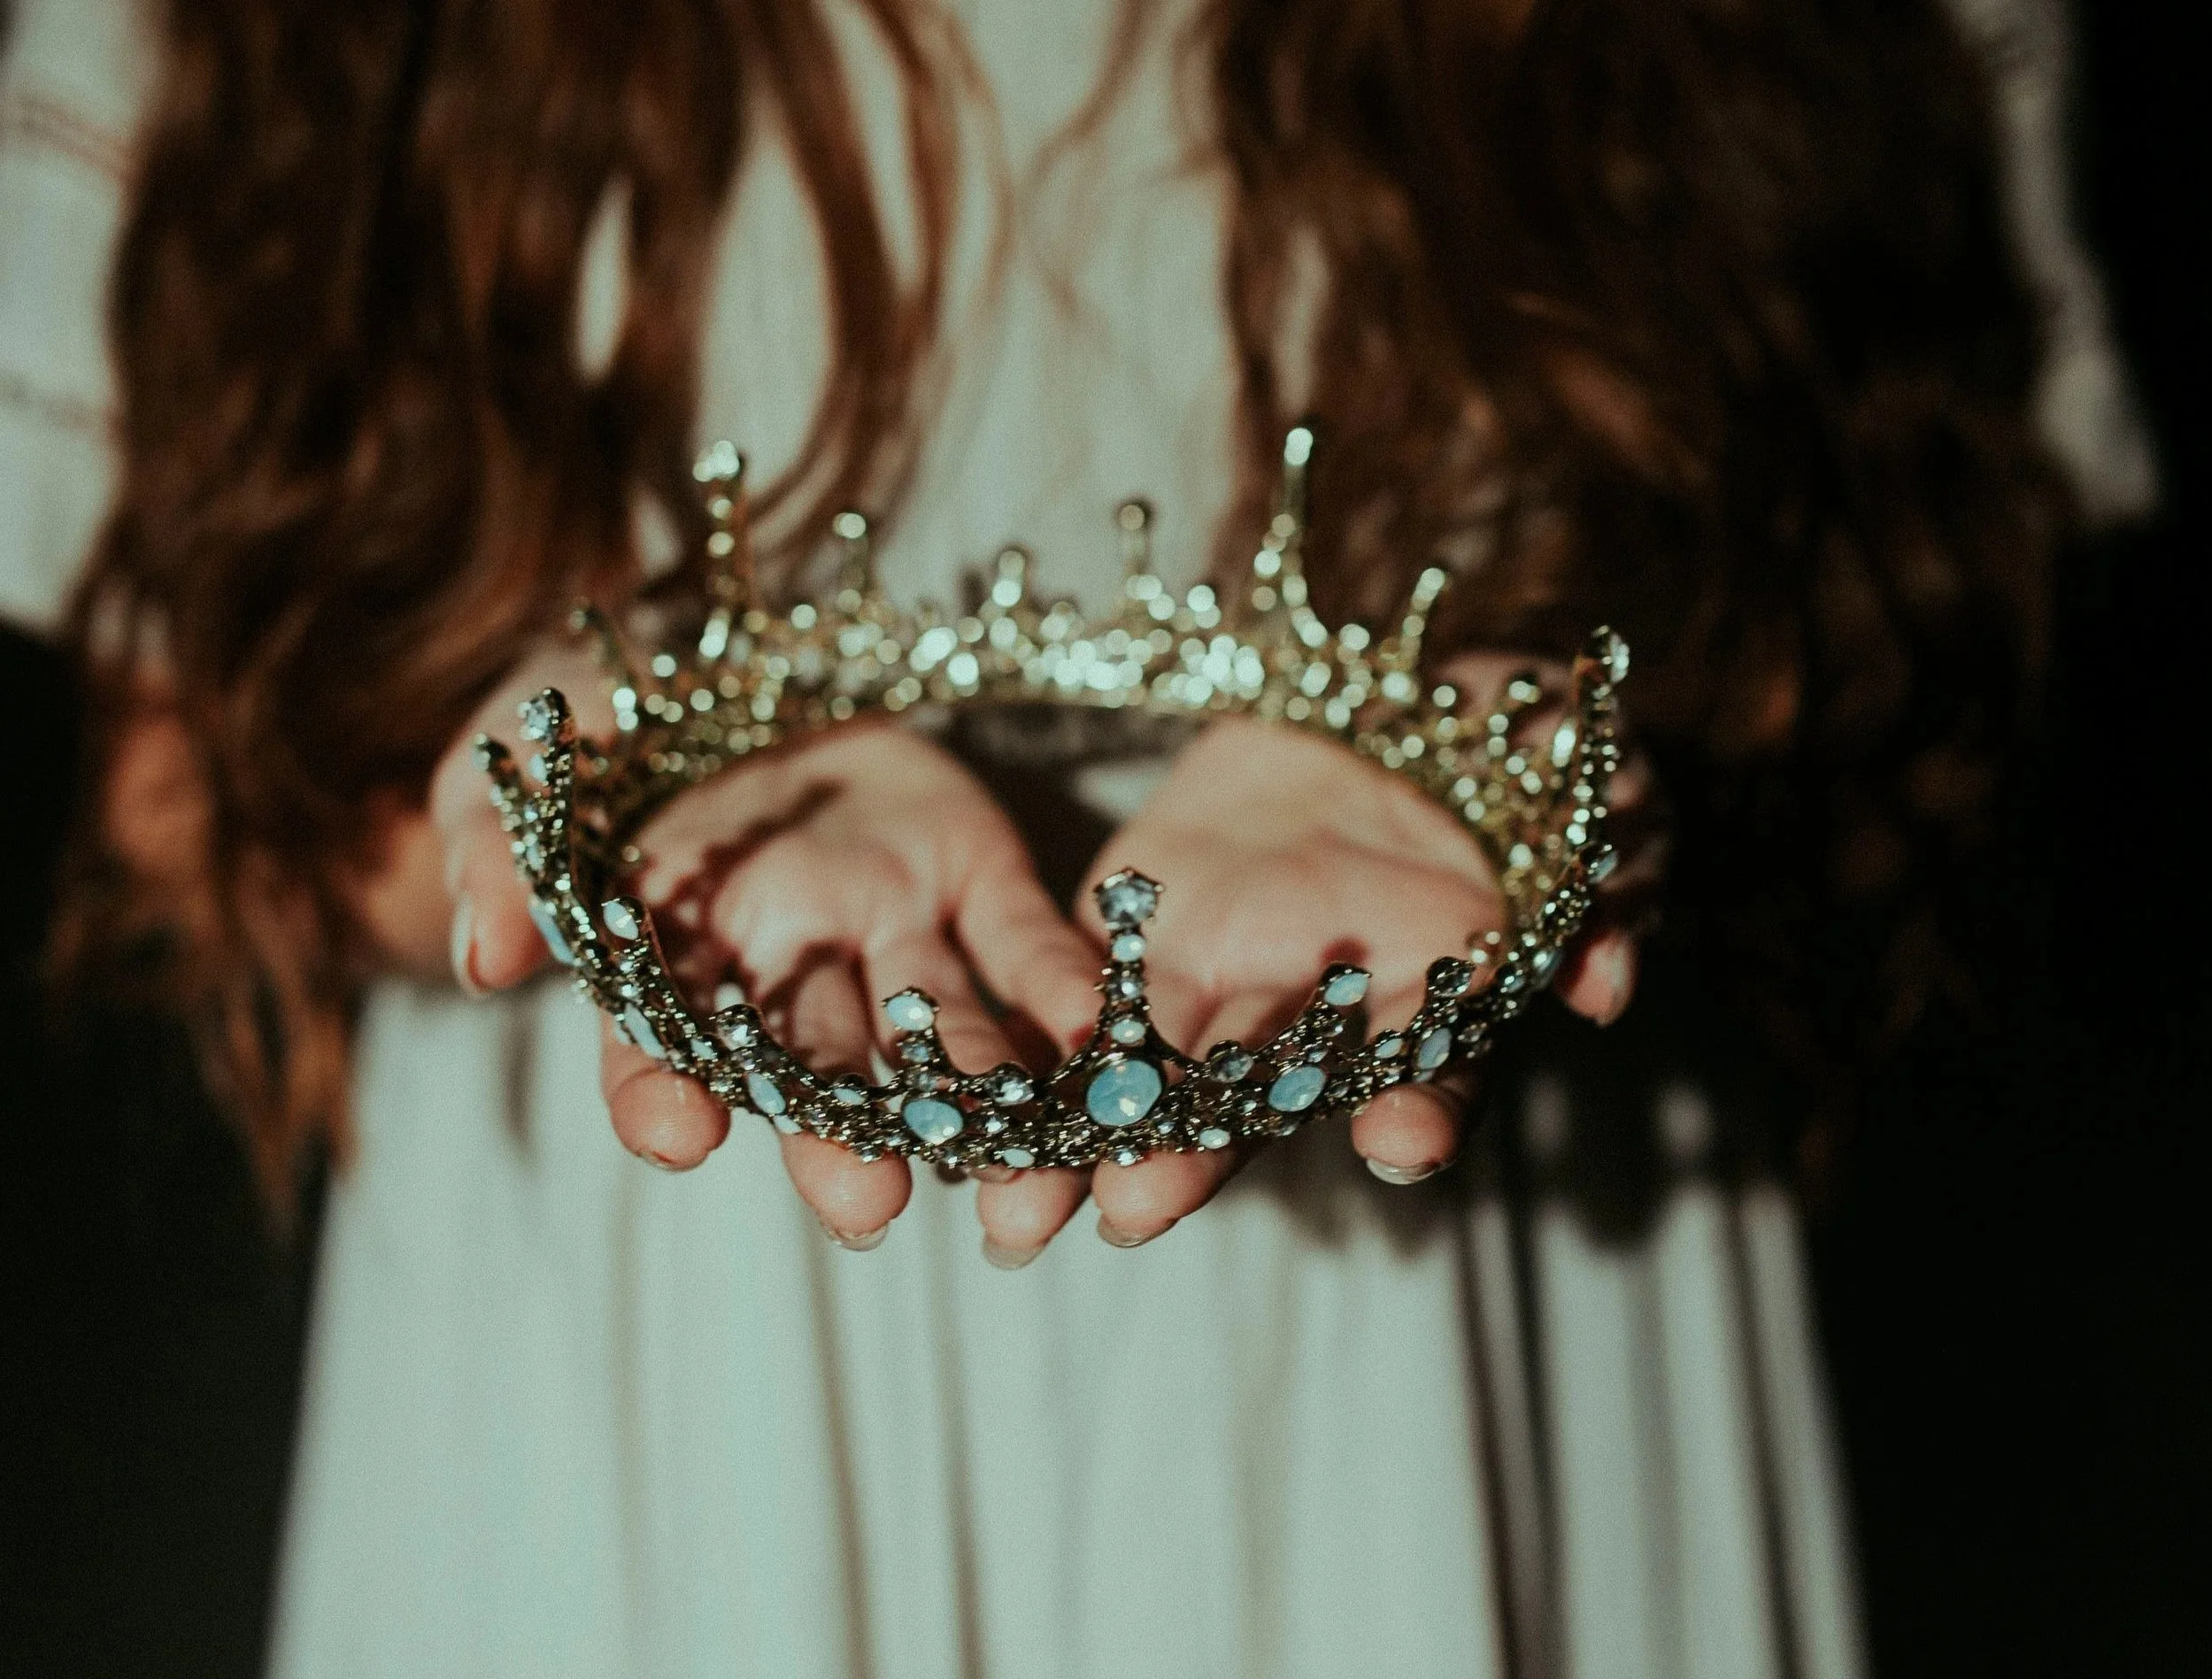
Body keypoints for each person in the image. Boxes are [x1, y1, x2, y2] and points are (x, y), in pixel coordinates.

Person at [0, 0, 2123, 1672]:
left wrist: (1581, 787)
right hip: (659, 1391)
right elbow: (171, 774)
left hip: (1478, 1345)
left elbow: (1947, 602)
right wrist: (559, 826)